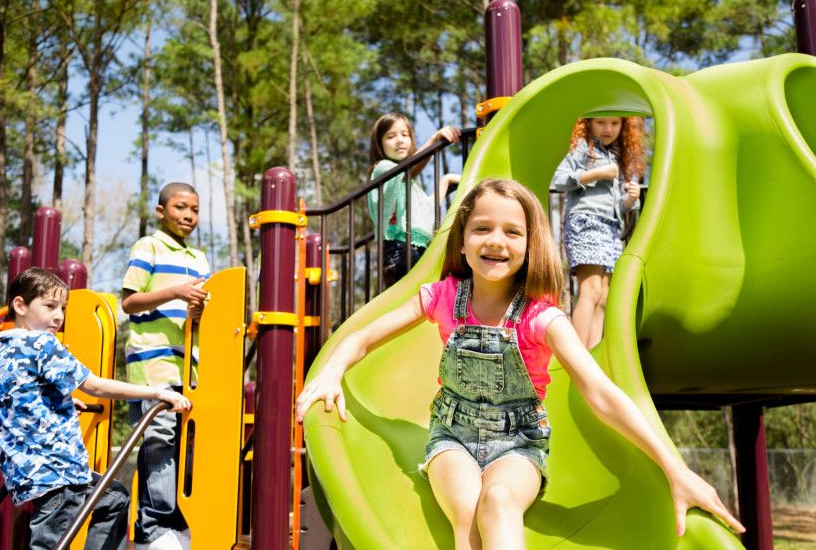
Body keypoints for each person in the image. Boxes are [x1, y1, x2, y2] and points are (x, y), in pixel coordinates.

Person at [296, 179, 743, 549]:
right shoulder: (444, 297)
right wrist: (332, 372)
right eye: (482, 228)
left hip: (519, 443)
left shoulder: (541, 317)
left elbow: (601, 393)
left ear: (531, 246)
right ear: (463, 240)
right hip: (451, 435)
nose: (496, 241)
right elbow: (362, 336)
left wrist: (675, 469)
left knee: (501, 500)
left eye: (513, 232)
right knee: (468, 509)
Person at [0, 267, 192, 550]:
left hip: (23, 468)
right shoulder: (42, 342)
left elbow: (15, 393)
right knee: (50, 542)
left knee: (114, 498)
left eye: (62, 308)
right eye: (49, 306)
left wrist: (61, 401)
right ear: (20, 305)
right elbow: (94, 385)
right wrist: (155, 391)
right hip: (57, 470)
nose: (58, 316)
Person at [121, 182, 210, 550]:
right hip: (152, 361)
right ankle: (155, 526)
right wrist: (175, 291)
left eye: (194, 209)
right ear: (161, 211)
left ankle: (170, 520)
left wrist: (198, 309)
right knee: (161, 437)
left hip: (188, 364)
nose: (188, 215)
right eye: (179, 207)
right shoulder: (149, 246)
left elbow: (199, 311)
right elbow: (129, 302)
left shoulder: (200, 259)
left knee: (183, 444)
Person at [551, 116, 644, 349]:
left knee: (603, 296)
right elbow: (559, 180)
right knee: (590, 290)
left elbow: (619, 206)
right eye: (601, 123)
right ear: (589, 124)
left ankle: (591, 355)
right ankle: (576, 355)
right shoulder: (584, 148)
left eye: (614, 123)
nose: (608, 129)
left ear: (623, 126)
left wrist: (631, 198)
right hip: (586, 220)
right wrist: (597, 173)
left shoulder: (617, 156)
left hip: (611, 227)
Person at [368, 112, 462, 287]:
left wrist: (446, 180)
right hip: (399, 249)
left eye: (405, 135)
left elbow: (428, 207)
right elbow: (409, 168)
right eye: (391, 136)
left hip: (414, 248)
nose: (400, 140)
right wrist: (434, 140)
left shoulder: (409, 182)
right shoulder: (383, 170)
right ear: (379, 144)